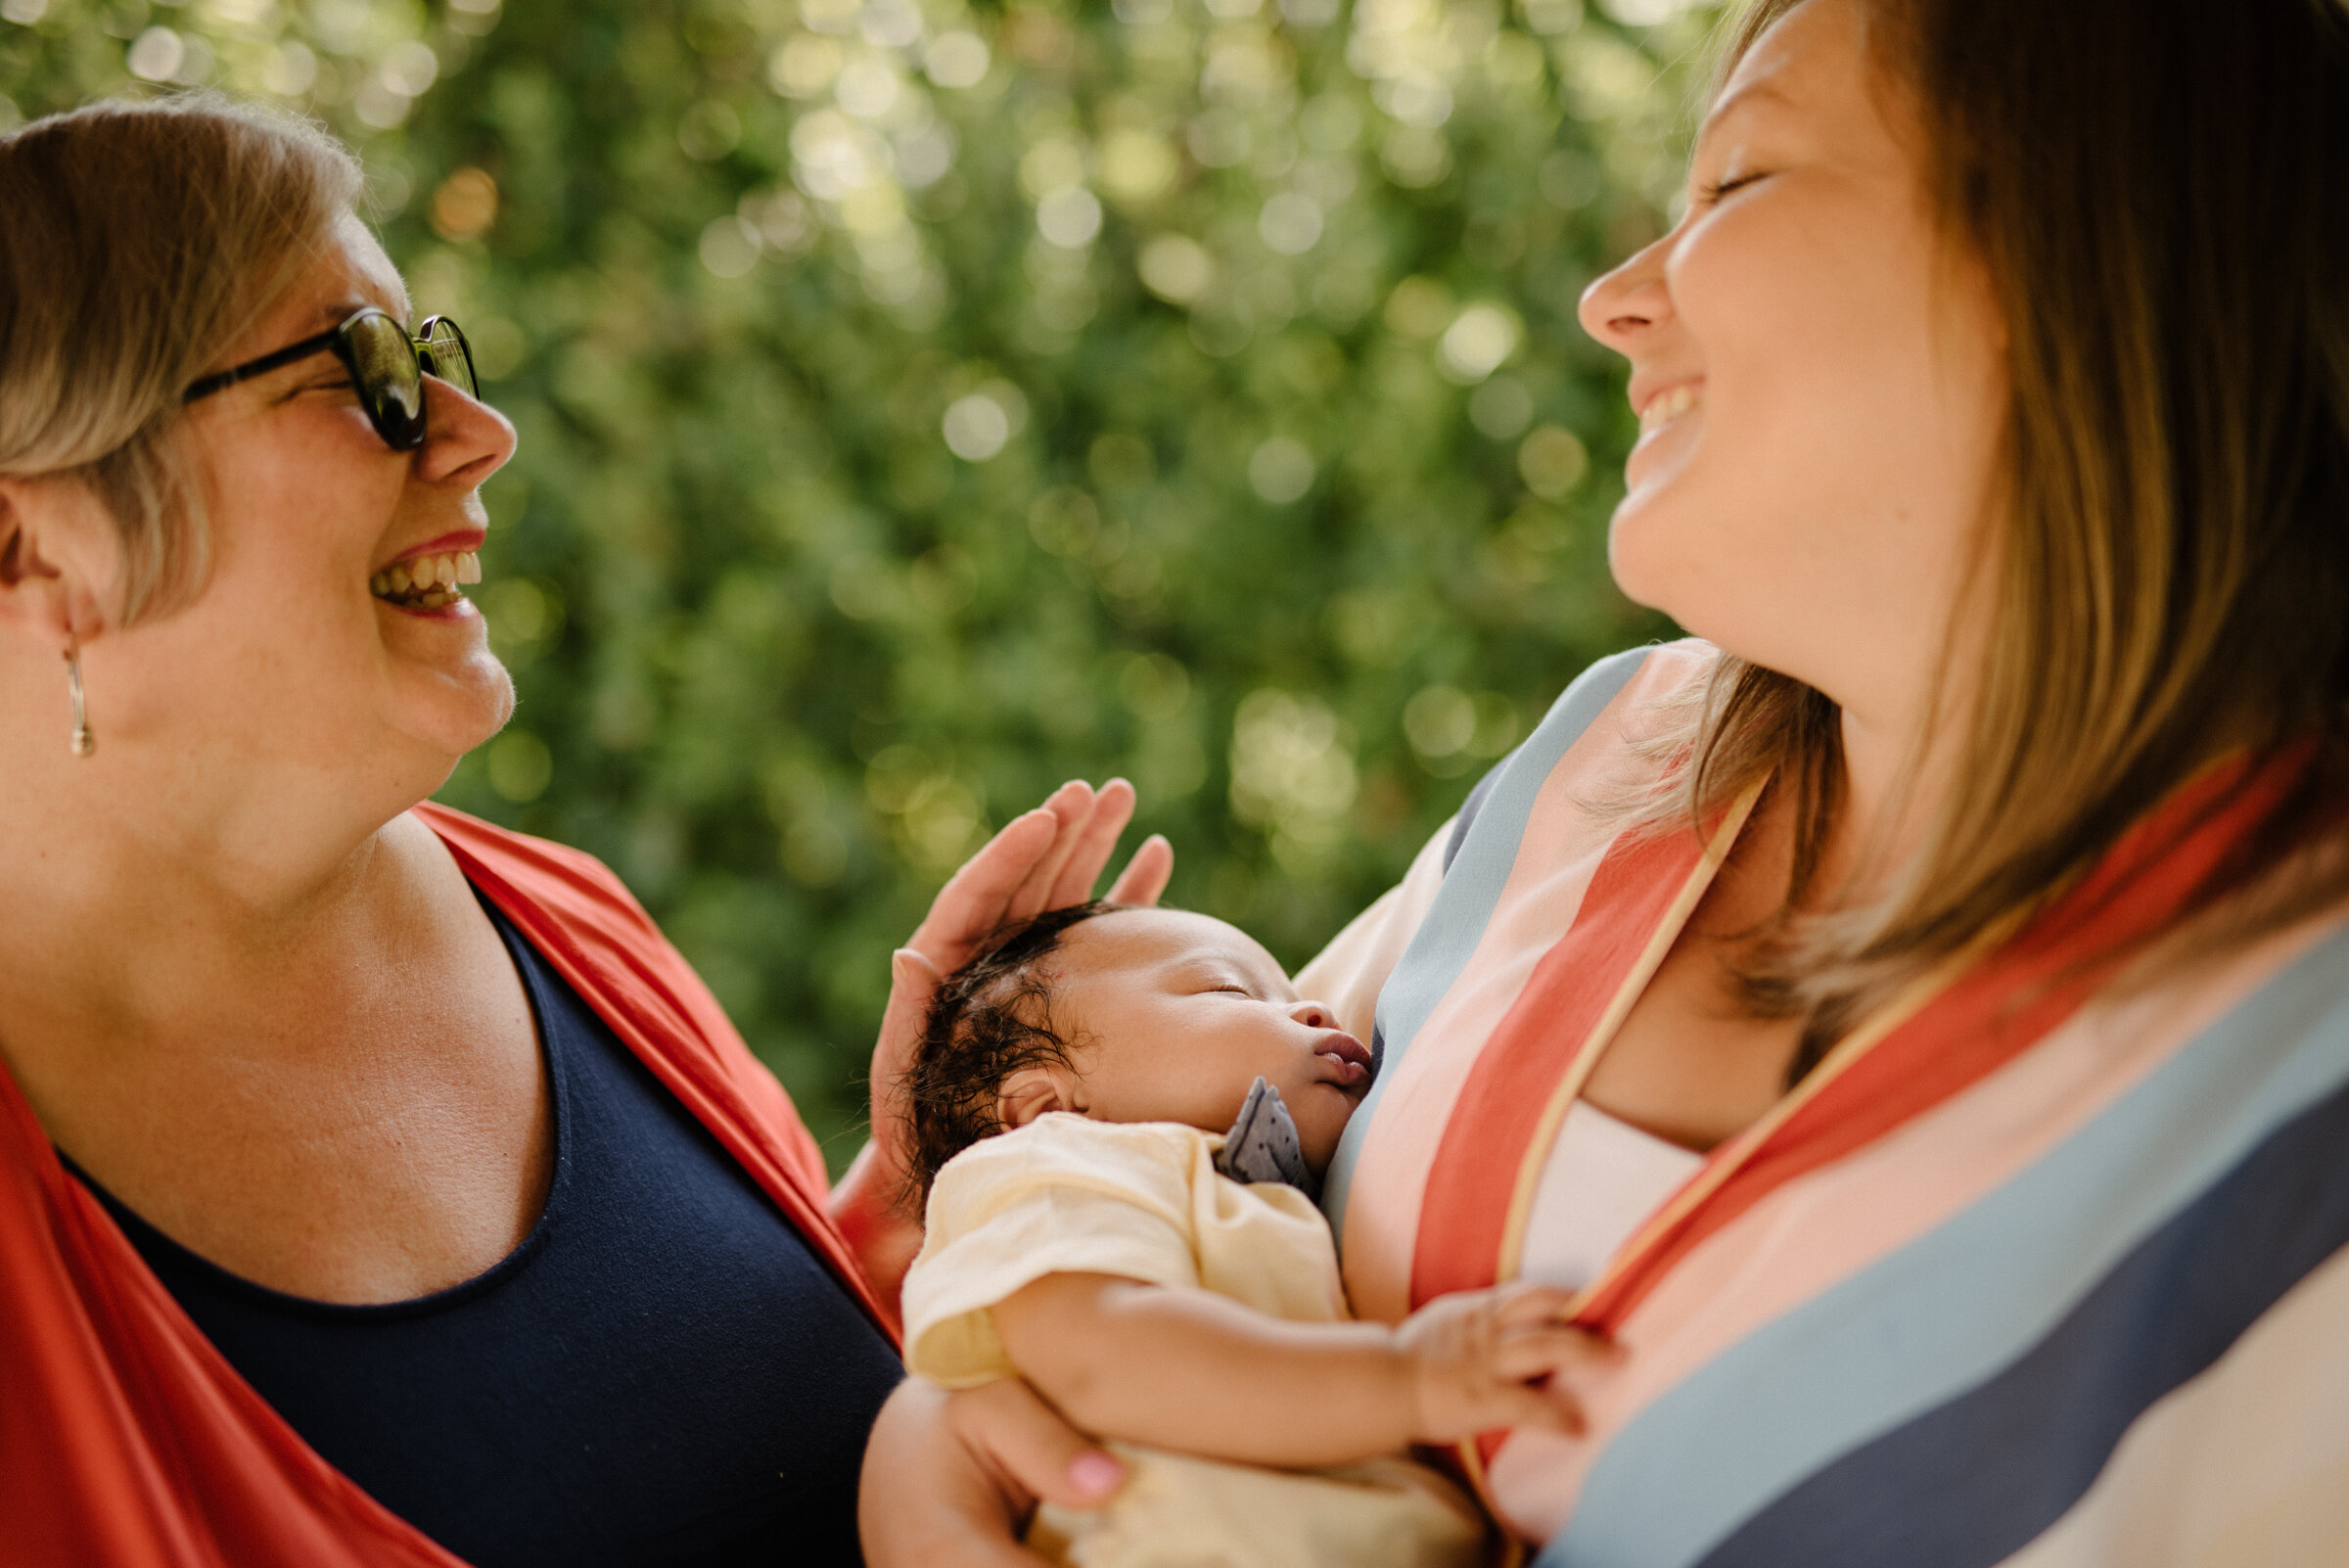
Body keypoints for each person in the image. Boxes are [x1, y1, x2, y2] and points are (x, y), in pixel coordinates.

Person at [858, 0, 2349, 1563]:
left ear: (2096, 258)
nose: (1614, 299)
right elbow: (1119, 1223)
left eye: (1737, 186)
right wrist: (929, 1412)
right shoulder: (1603, 760)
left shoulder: (2297, 1111)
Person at [0, 96, 1177, 1567]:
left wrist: (930, 1183)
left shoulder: (566, 915)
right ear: (37, 548)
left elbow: (732, 1467)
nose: (481, 436)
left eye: (430, 355)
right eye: (362, 373)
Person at [896, 900, 1617, 1568]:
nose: (1312, 1007)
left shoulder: (1261, 1196)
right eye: (1228, 992)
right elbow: (1107, 1356)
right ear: (1047, 1104)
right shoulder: (1046, 1166)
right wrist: (1406, 1378)